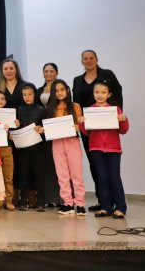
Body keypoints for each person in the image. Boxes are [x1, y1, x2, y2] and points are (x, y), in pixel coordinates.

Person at [72, 49, 123, 212]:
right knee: (95, 165)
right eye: (85, 58)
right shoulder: (77, 80)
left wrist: (116, 116)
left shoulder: (107, 75)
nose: (88, 60)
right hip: (88, 128)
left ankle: (116, 203)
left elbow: (118, 94)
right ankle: (103, 201)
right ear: (82, 61)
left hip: (108, 126)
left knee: (111, 170)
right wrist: (79, 122)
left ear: (96, 59)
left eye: (91, 58)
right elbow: (76, 103)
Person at [80, 82, 130, 219]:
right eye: (97, 92)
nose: (100, 95)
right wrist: (82, 122)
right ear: (93, 94)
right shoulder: (89, 110)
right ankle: (105, 207)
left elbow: (123, 130)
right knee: (101, 178)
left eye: (103, 92)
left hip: (113, 149)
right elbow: (86, 132)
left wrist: (123, 120)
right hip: (96, 148)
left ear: (109, 94)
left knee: (114, 177)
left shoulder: (115, 110)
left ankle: (120, 207)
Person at [45, 79, 86, 216]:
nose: (60, 93)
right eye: (56, 91)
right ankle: (68, 203)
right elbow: (49, 127)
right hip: (57, 143)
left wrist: (79, 126)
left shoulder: (75, 106)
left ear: (67, 90)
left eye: (62, 89)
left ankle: (80, 203)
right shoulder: (51, 109)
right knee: (62, 175)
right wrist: (43, 129)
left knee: (76, 174)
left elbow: (81, 125)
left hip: (72, 142)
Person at [12, 83, 47, 212]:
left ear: (35, 95)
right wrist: (15, 125)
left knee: (39, 175)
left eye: (30, 94)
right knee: (23, 175)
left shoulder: (41, 109)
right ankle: (23, 202)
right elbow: (13, 127)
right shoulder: (18, 110)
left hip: (38, 147)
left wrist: (41, 129)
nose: (27, 97)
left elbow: (45, 127)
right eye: (24, 95)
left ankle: (41, 202)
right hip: (22, 148)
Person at [0, 90, 15, 211]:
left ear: (5, 101)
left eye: (2, 99)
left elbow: (14, 132)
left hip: (6, 147)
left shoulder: (10, 115)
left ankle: (9, 200)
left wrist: (16, 125)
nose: (0, 101)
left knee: (8, 176)